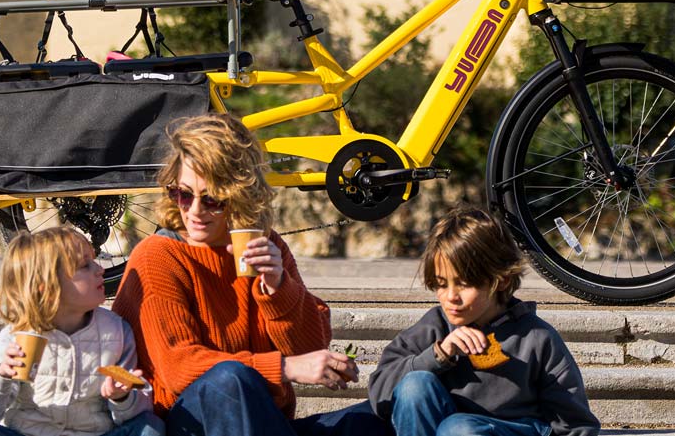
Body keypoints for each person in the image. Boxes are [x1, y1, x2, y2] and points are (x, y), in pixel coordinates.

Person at [112, 113, 391, 436]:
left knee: (380, 415)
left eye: (213, 198)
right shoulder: (158, 255)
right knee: (229, 379)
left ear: (240, 193)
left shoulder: (266, 245)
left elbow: (313, 349)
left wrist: (278, 289)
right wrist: (284, 368)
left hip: (264, 425)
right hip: (189, 425)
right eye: (183, 194)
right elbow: (180, 369)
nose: (195, 211)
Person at [368, 207, 600, 436]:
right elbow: (379, 394)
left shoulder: (536, 337)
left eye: (464, 284)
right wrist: (438, 355)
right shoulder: (435, 326)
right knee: (414, 385)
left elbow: (576, 425)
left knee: (460, 429)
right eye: (441, 284)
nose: (450, 297)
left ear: (500, 280)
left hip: (509, 429)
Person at [0, 226, 163, 436]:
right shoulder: (18, 334)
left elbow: (139, 410)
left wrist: (123, 397)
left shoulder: (115, 331)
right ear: (49, 286)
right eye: (85, 265)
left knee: (150, 427)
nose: (100, 269)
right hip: (28, 433)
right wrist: (1, 375)